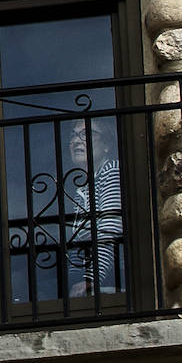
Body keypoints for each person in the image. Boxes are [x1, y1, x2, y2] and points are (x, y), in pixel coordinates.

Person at [66, 120, 123, 296]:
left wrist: (91, 278)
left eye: (85, 134)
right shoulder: (82, 188)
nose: (76, 140)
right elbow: (77, 243)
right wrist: (73, 280)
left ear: (106, 144)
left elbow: (110, 229)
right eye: (73, 135)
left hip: (114, 275)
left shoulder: (111, 170)